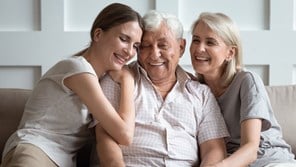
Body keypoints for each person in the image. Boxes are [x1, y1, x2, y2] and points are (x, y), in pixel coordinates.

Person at [1, 3, 143, 167]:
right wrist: (127, 80)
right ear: (98, 34)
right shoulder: (78, 69)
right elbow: (124, 135)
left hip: (60, 161)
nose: (130, 52)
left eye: (136, 46)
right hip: (35, 151)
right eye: (124, 39)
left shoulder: (101, 81)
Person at [91, 10, 229, 167]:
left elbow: (214, 149)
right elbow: (105, 141)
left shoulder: (201, 94)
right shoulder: (117, 81)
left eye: (163, 45)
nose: (154, 54)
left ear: (181, 47)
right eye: (145, 46)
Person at [189, 12, 296, 167]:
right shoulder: (194, 90)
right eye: (196, 40)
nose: (199, 48)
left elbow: (251, 149)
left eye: (210, 42)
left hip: (269, 160)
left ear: (230, 53)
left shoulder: (247, 81)